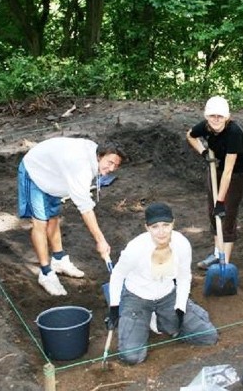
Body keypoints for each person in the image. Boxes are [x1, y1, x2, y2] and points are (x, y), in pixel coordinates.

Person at [105, 202, 218, 365]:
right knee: (132, 357)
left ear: (173, 223)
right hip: (137, 298)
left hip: (167, 295)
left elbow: (184, 277)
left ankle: (162, 319)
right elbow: (117, 275)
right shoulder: (135, 248)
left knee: (208, 336)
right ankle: (142, 319)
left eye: (166, 225)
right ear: (147, 228)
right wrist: (114, 308)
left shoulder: (181, 244)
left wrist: (180, 307)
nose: (161, 231)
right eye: (155, 226)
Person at [17, 137, 126, 296]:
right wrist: (100, 241)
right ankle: (46, 273)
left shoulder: (94, 155)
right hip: (35, 172)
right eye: (109, 162)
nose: (111, 168)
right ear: (100, 155)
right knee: (40, 223)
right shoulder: (79, 166)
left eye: (116, 165)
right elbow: (85, 208)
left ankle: (59, 259)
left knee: (53, 219)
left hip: (54, 176)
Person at [186, 96, 243, 269]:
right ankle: (217, 254)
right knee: (212, 212)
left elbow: (228, 172)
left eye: (220, 116)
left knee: (226, 214)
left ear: (227, 117)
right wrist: (204, 153)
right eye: (212, 115)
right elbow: (190, 135)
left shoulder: (234, 133)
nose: (216, 119)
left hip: (236, 171)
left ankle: (225, 261)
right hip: (216, 165)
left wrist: (221, 201)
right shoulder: (205, 126)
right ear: (207, 116)